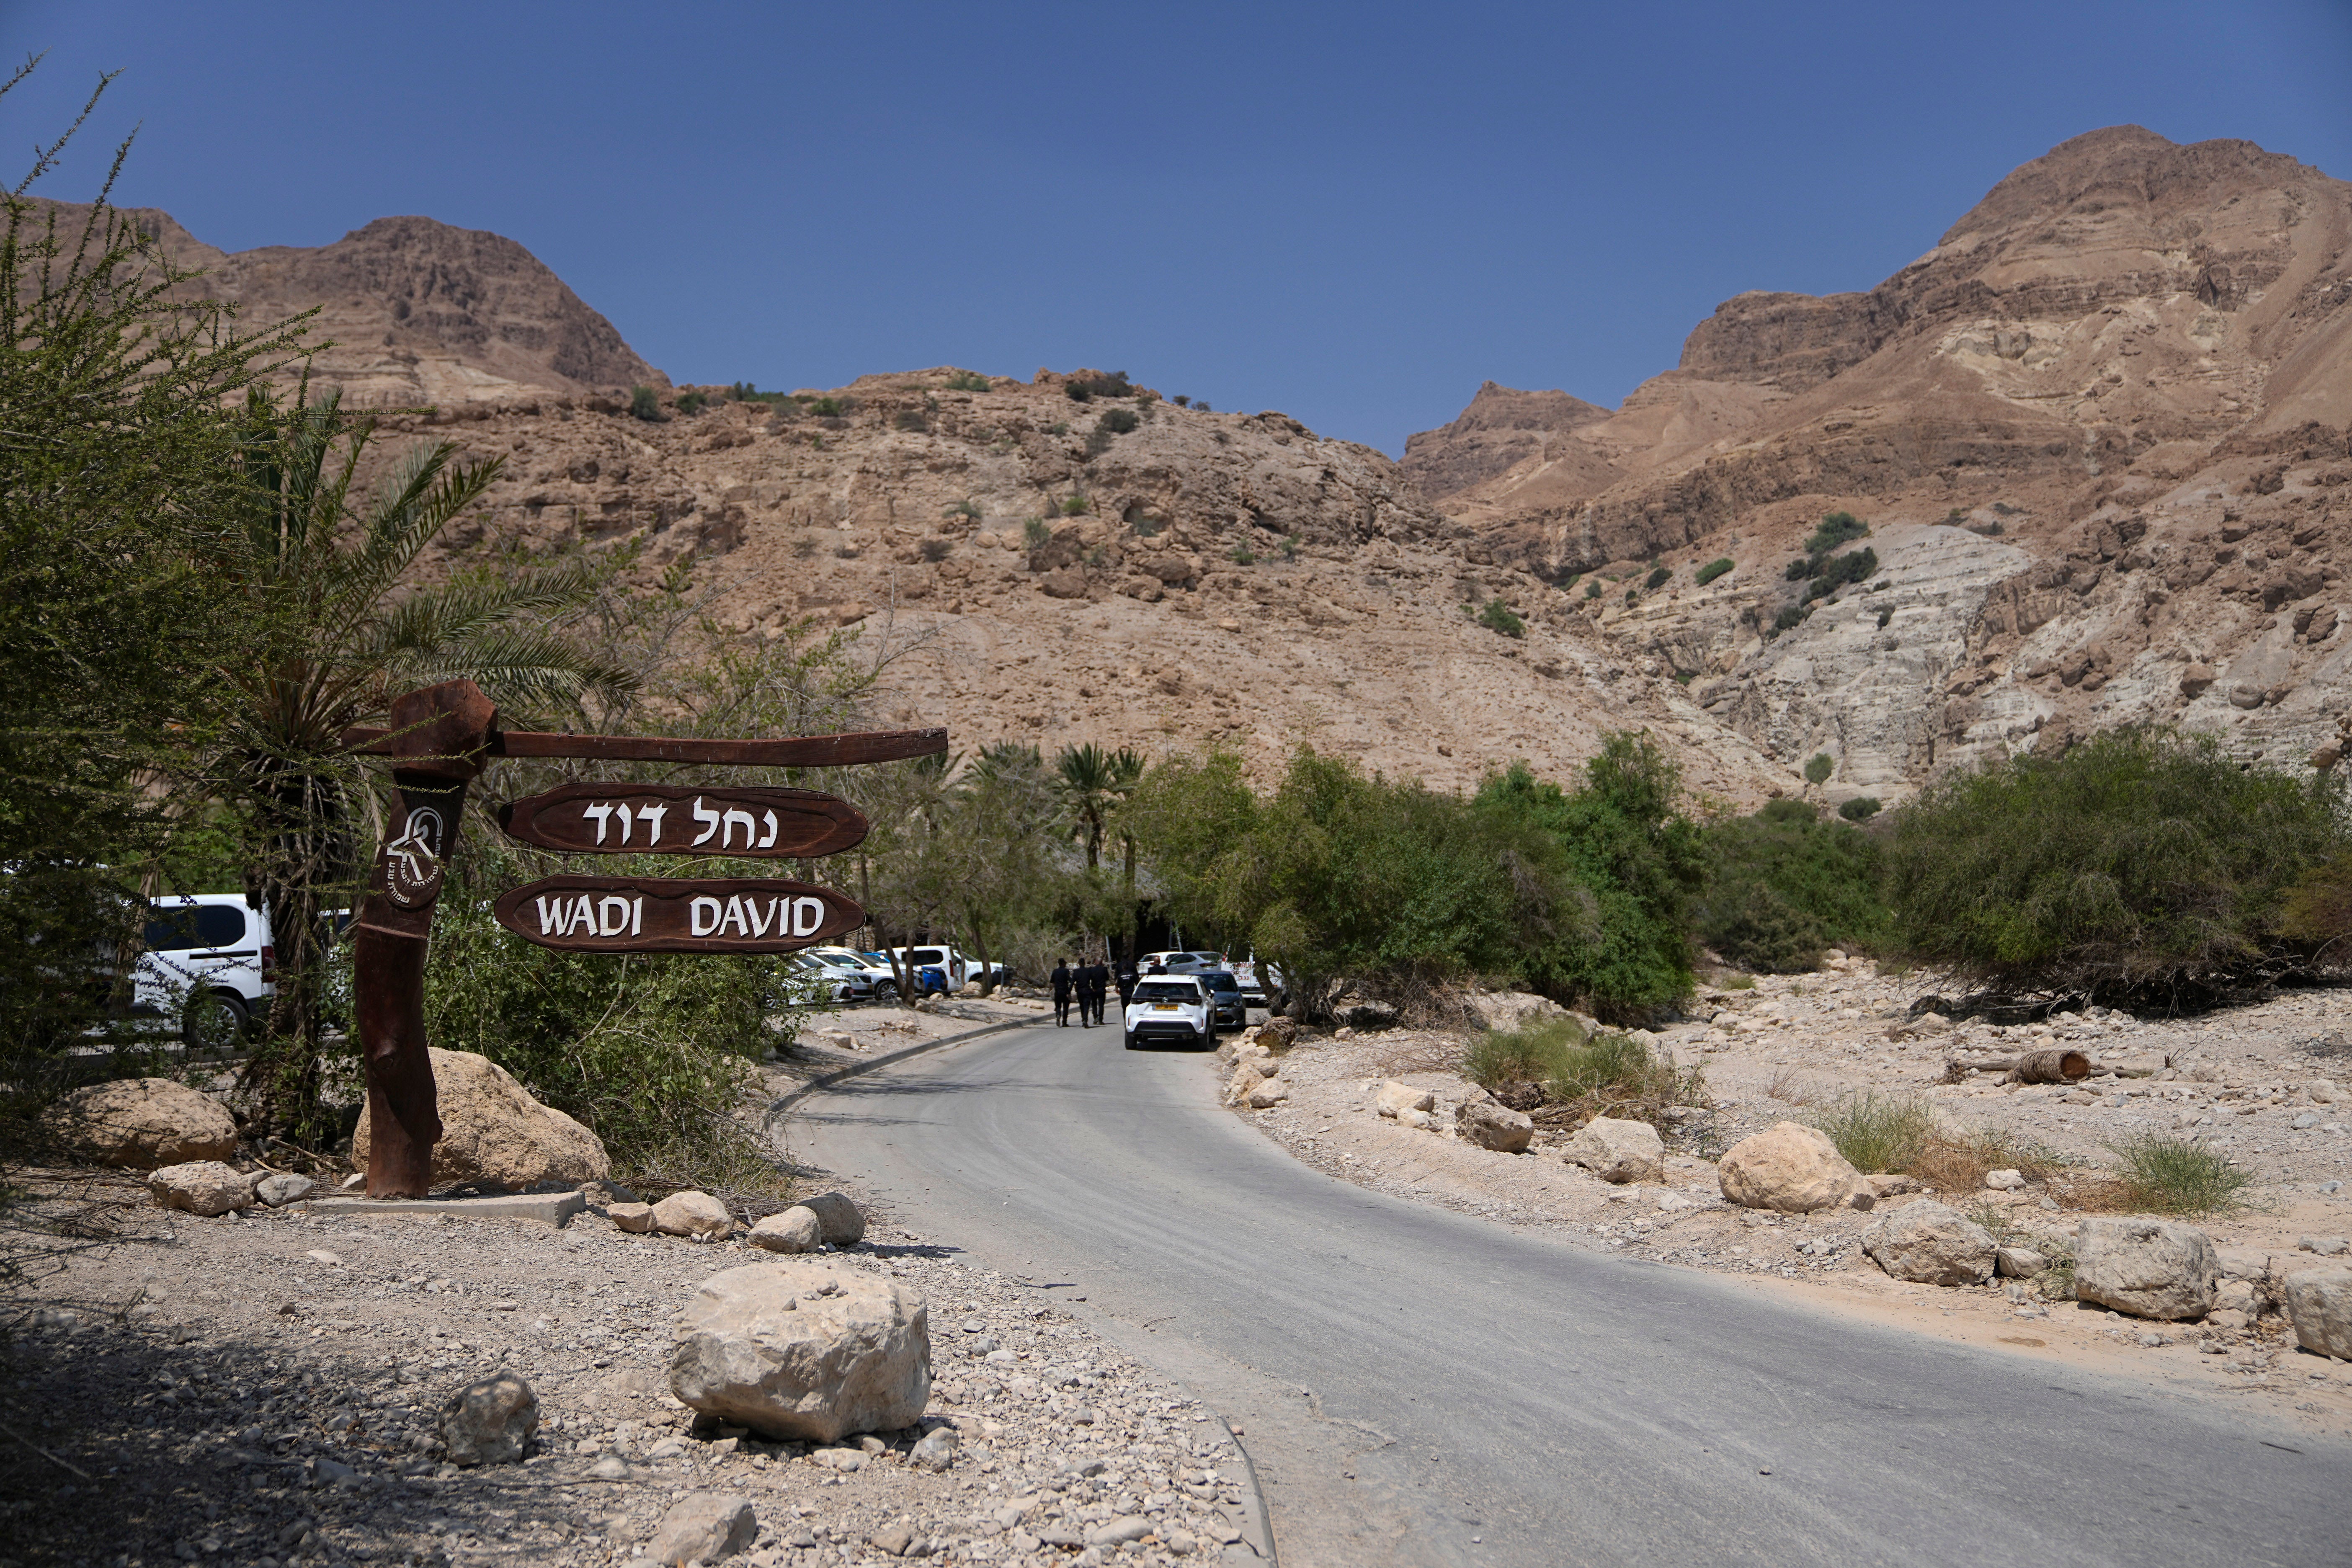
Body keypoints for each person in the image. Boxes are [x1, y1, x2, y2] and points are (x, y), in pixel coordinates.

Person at [1081, 956, 1110, 1026]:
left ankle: (1095, 1017)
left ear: (1096, 962)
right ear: (1101, 962)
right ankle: (1101, 1019)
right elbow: (1107, 978)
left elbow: (1089, 979)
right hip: (1102, 989)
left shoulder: (1092, 970)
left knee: (1094, 1004)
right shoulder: (1104, 969)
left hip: (1094, 989)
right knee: (1101, 1005)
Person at [1050, 958, 1074, 1026]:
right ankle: (1064, 1022)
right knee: (1066, 1007)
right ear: (1063, 964)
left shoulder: (1055, 971)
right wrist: (1070, 989)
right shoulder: (1066, 971)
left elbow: (1052, 981)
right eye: (1065, 963)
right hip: (1065, 992)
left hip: (1057, 991)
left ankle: (1058, 1015)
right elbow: (1070, 980)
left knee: (1058, 1006)